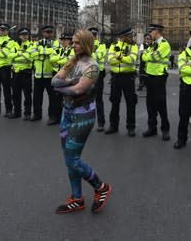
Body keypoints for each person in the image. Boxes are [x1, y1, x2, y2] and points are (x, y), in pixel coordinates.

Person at [52, 29, 112, 214]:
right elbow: (54, 81)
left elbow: (77, 90)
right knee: (69, 160)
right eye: (73, 42)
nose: (73, 45)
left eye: (77, 42)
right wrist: (72, 82)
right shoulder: (73, 62)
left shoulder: (92, 66)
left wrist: (67, 84)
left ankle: (101, 187)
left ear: (86, 43)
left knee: (73, 159)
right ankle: (77, 198)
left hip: (82, 115)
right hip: (67, 112)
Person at [105, 27, 139, 137]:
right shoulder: (113, 45)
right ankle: (113, 126)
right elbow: (110, 60)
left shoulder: (133, 46)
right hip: (116, 78)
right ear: (123, 37)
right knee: (114, 102)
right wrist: (124, 58)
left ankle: (131, 127)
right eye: (129, 36)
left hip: (128, 77)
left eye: (131, 36)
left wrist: (119, 57)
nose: (131, 38)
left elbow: (132, 60)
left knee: (131, 103)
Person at [141, 23, 171, 141]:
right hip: (150, 76)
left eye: (151, 31)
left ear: (157, 31)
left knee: (161, 104)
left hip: (159, 77)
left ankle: (165, 129)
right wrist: (147, 55)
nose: (150, 34)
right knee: (150, 104)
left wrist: (146, 55)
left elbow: (152, 57)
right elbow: (143, 57)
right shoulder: (153, 44)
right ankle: (152, 128)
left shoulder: (164, 44)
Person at [30, 25, 60, 123]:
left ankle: (52, 116)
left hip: (50, 74)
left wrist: (40, 52)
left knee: (53, 98)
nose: (48, 34)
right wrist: (45, 53)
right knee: (37, 97)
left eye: (50, 32)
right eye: (46, 32)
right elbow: (32, 54)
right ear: (42, 33)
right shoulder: (36, 43)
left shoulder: (55, 43)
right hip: (38, 74)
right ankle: (37, 114)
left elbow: (54, 53)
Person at [88, 27, 108, 131]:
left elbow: (97, 57)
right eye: (91, 35)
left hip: (97, 74)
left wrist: (88, 53)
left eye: (94, 35)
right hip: (86, 74)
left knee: (98, 99)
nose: (93, 36)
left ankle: (101, 123)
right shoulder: (85, 44)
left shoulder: (101, 45)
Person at [12, 28, 33, 119]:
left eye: (26, 34)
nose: (25, 36)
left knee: (27, 95)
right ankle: (17, 112)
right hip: (16, 73)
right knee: (16, 94)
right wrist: (21, 55)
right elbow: (9, 56)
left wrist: (17, 55)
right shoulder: (15, 45)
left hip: (26, 73)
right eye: (23, 35)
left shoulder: (32, 45)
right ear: (19, 36)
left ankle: (27, 113)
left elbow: (30, 58)